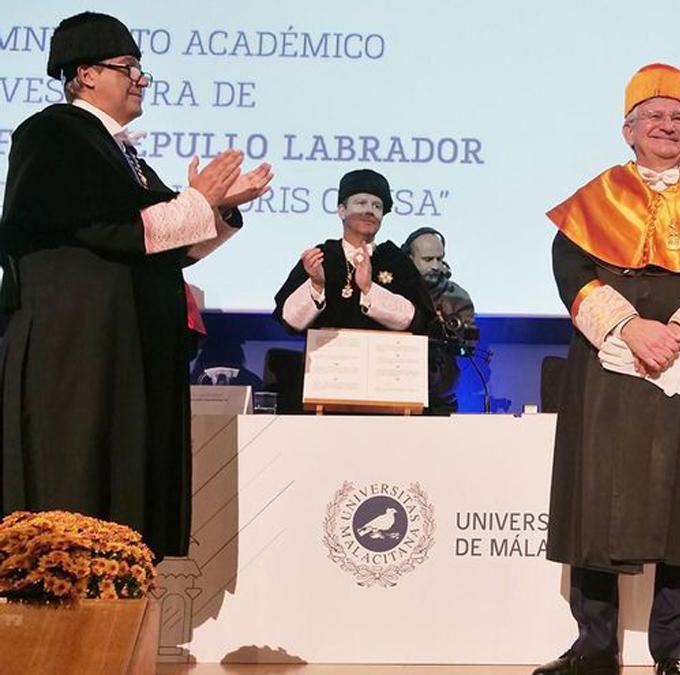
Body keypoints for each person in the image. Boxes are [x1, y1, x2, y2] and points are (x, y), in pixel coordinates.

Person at [0, 12, 271, 559]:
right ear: (85, 74)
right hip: (77, 349)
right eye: (128, 68)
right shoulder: (54, 132)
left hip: (122, 348)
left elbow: (172, 245)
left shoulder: (127, 157)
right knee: (76, 488)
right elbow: (113, 229)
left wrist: (218, 209)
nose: (141, 79)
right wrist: (199, 201)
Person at [536, 63, 680, 675]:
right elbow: (571, 273)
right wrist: (629, 327)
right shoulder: (598, 194)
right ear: (628, 129)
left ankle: (672, 652)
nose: (668, 126)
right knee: (595, 502)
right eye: (656, 116)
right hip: (609, 360)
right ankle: (593, 648)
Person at [274, 169, 434, 336]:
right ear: (342, 211)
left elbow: (417, 319)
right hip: (326, 359)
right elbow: (290, 321)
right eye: (361, 203)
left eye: (377, 206)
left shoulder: (395, 260)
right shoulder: (321, 256)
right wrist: (316, 285)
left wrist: (369, 289)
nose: (370, 211)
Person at [402, 226, 476, 413]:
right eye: (428, 259)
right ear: (409, 259)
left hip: (440, 396)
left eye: (439, 259)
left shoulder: (457, 296)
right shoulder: (394, 292)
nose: (435, 266)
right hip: (397, 390)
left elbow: (467, 341)